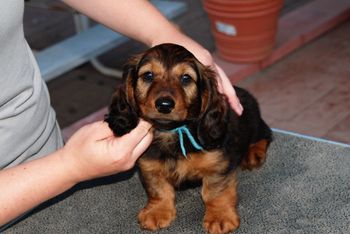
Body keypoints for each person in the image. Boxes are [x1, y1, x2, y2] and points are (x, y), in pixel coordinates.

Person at [0, 0, 243, 228]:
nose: (166, 95)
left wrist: (162, 32)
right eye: (148, 76)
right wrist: (69, 166)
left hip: (44, 146)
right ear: (129, 88)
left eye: (185, 79)